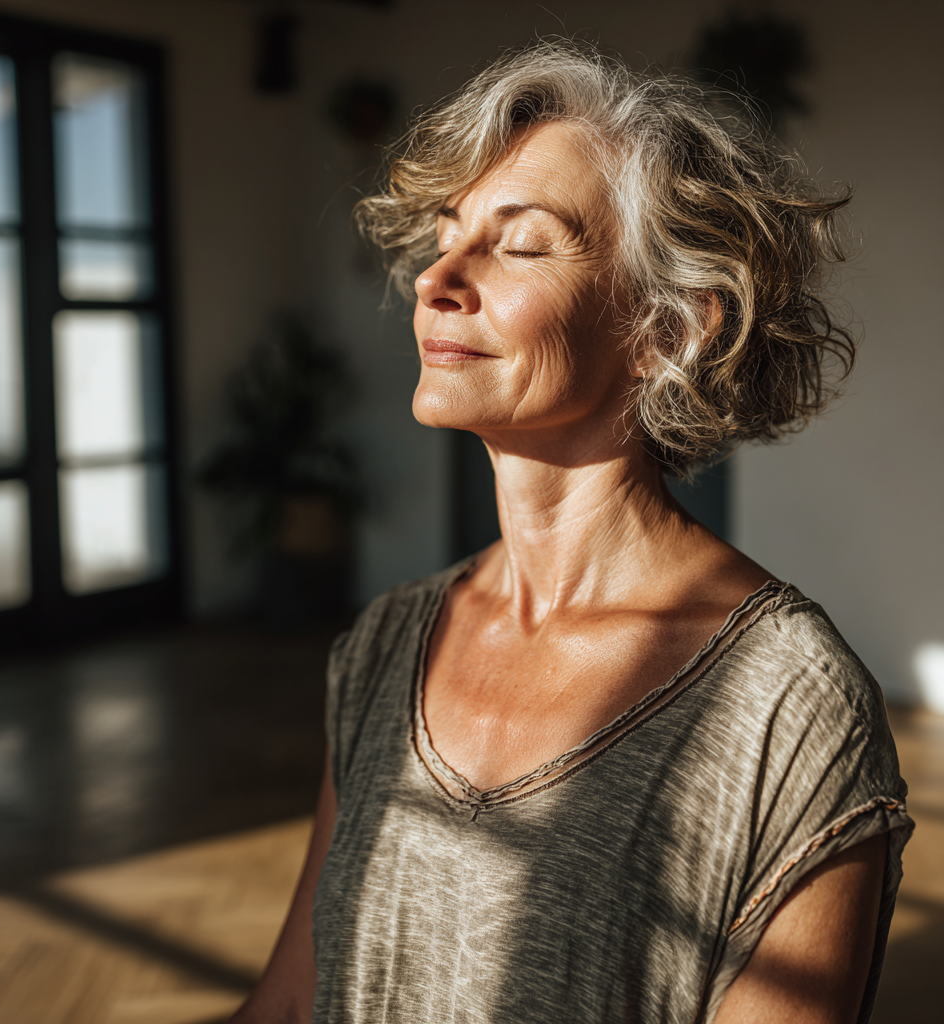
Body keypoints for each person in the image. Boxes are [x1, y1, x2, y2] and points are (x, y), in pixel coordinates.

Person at [231, 40, 913, 1024]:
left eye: (518, 242)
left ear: (668, 330)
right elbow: (291, 1002)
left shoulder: (788, 711)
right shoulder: (384, 645)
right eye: (447, 233)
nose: (437, 278)